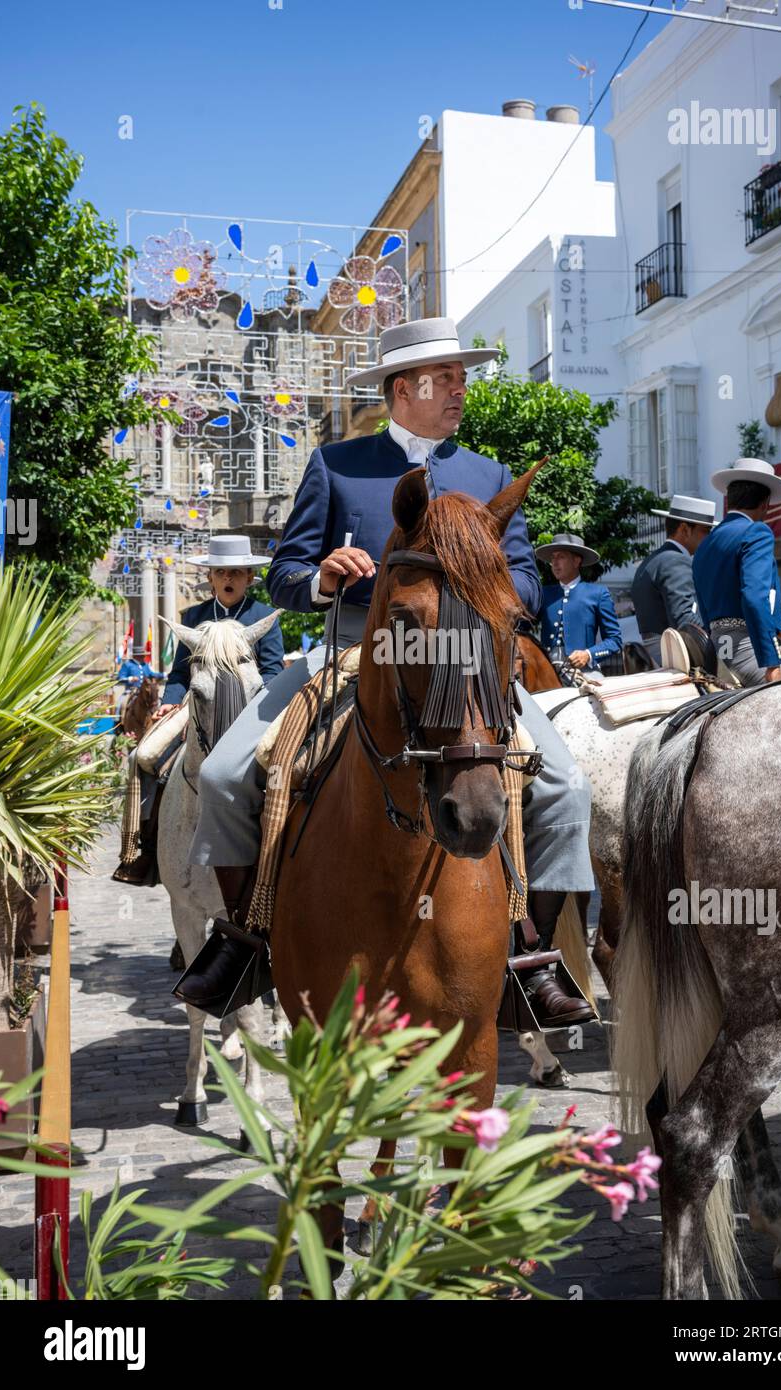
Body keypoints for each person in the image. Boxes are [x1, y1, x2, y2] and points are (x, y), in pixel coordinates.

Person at [186, 316, 597, 1029]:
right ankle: (248, 940)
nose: (462, 392)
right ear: (404, 387)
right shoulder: (336, 465)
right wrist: (320, 577)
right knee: (225, 778)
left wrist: (486, 580)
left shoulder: (490, 477)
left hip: (467, 665)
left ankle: (527, 954)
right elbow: (283, 575)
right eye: (451, 379)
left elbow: (527, 584)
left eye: (465, 378)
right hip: (350, 656)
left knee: (566, 787)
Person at [112, 536, 284, 885]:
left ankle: (279, 847)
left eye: (236, 571)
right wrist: (171, 701)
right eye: (221, 571)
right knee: (142, 756)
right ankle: (142, 848)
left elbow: (273, 671)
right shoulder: (193, 617)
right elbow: (178, 673)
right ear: (210, 577)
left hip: (249, 711)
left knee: (283, 767)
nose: (228, 578)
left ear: (250, 577)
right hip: (197, 702)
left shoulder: (264, 618)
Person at [692, 459, 781, 686]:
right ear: (765, 503)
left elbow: (708, 608)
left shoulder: (706, 543)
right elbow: (754, 598)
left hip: (719, 649)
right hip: (749, 647)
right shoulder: (757, 532)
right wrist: (772, 663)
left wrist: (776, 626)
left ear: (730, 498)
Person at [631, 494, 716, 664]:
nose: (709, 538)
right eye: (705, 531)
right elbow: (686, 621)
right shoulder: (675, 560)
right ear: (685, 529)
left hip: (655, 652)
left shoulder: (652, 560)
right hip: (674, 656)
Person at [537, 533, 622, 675]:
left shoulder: (597, 593)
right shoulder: (543, 594)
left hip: (585, 672)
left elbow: (615, 641)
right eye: (553, 557)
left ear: (576, 561)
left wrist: (588, 654)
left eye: (561, 557)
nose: (555, 563)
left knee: (597, 696)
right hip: (547, 673)